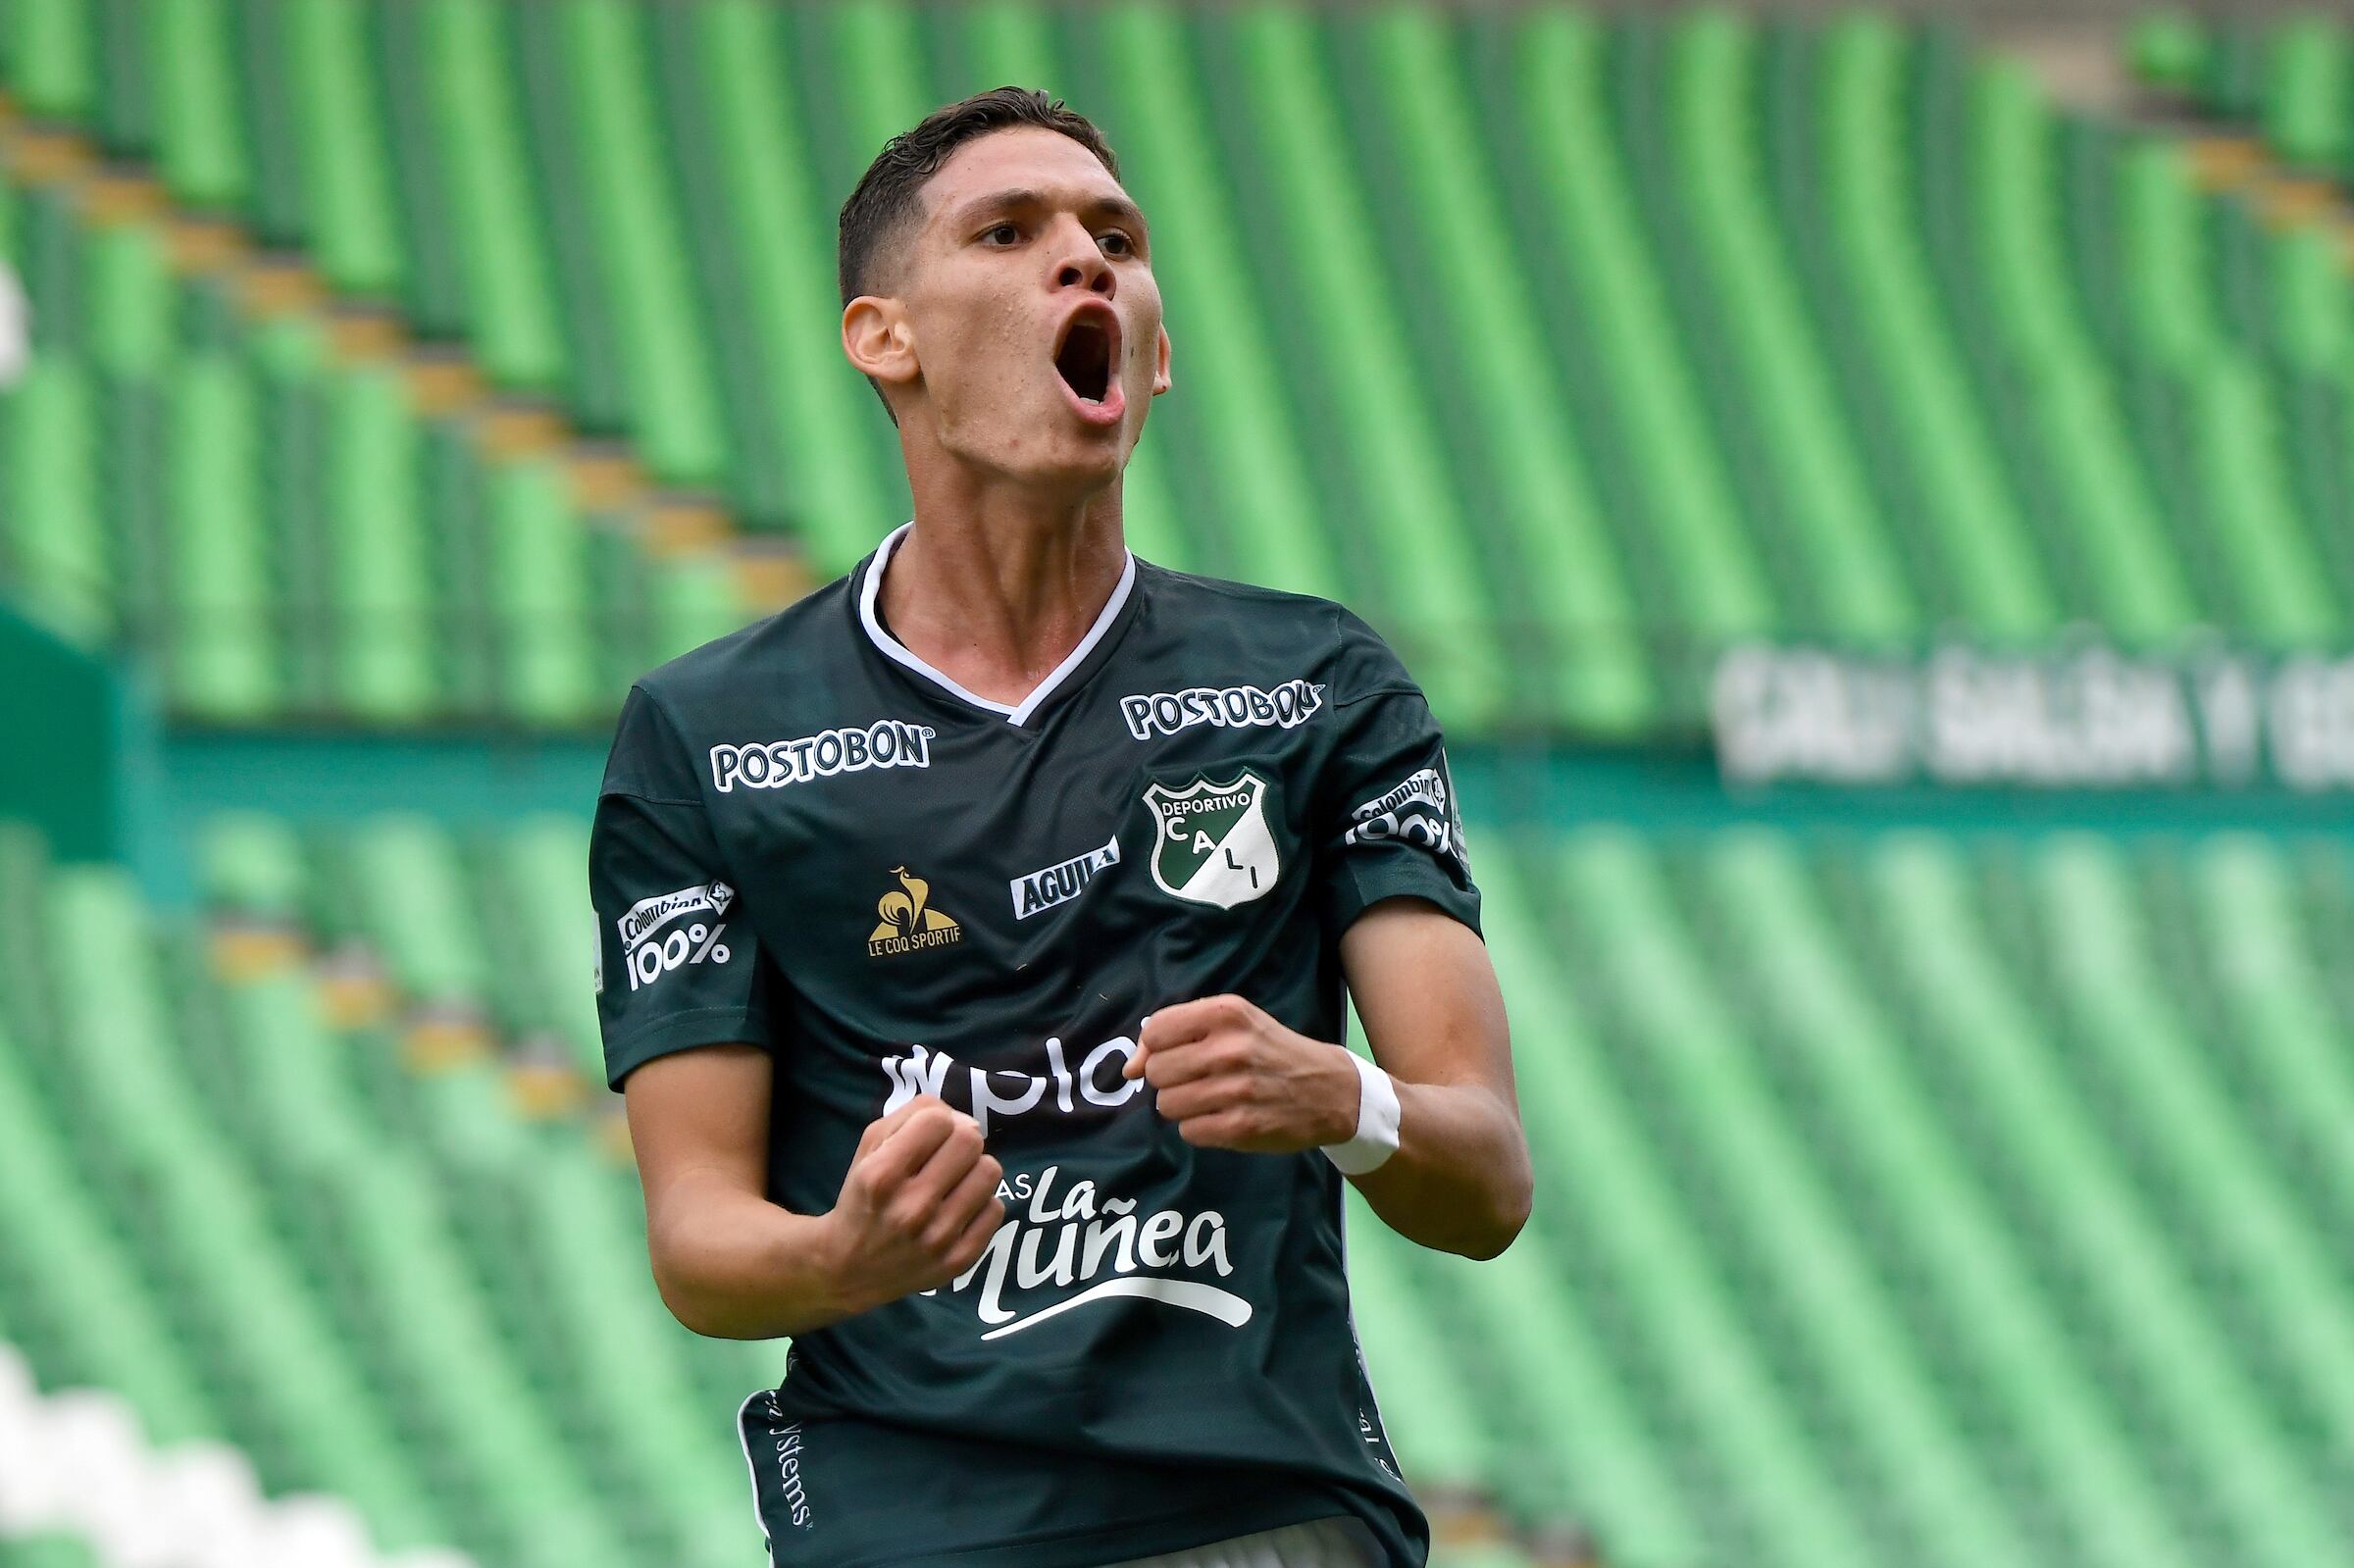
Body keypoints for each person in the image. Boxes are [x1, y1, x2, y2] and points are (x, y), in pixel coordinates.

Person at [588, 87, 1530, 1568]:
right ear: (881, 335)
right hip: (914, 1524)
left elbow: (1484, 1179)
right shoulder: (709, 736)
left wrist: (1341, 1099)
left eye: (1116, 238)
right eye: (1009, 233)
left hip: (1263, 1516)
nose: (1083, 261)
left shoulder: (1316, 686)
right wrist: (846, 1256)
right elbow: (699, 1243)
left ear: (1157, 358)